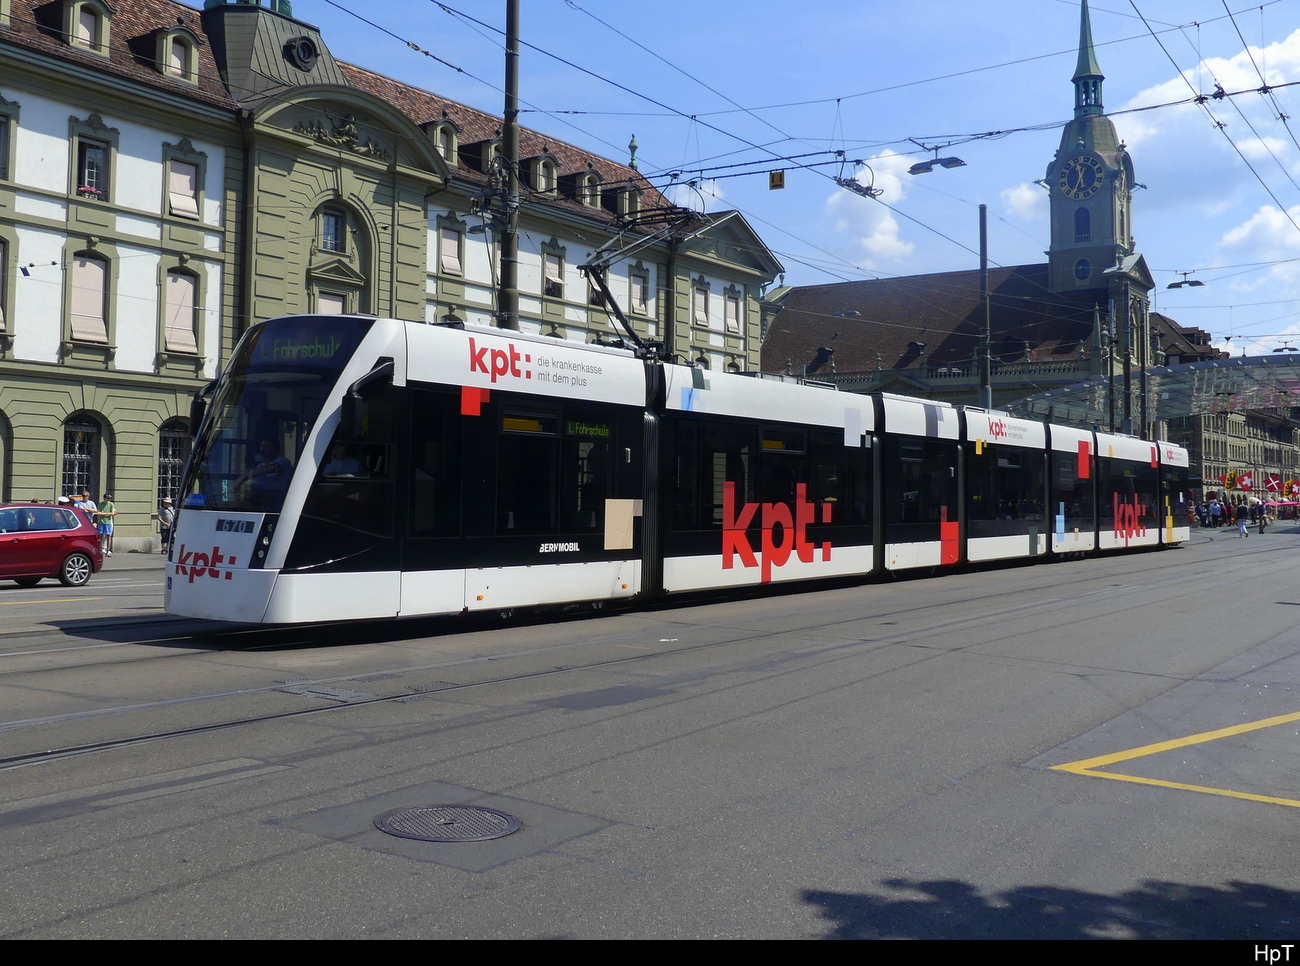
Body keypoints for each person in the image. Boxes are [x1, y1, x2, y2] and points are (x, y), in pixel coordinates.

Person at [236, 438, 294, 509]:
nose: (263, 449)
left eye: (266, 446)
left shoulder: (283, 461)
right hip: (265, 506)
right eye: (262, 446)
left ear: (276, 450)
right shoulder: (260, 466)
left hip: (281, 506)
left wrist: (245, 476)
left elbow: (271, 468)